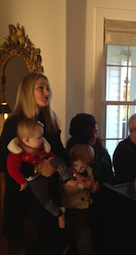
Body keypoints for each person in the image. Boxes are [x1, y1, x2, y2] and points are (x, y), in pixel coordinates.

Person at [0, 72, 70, 255]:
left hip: (50, 188)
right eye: (40, 87)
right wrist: (37, 168)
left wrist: (75, 174)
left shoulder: (49, 121)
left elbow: (60, 153)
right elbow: (2, 161)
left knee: (48, 237)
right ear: (27, 92)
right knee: (58, 236)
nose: (46, 91)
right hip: (27, 192)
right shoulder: (14, 123)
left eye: (47, 87)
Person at [6, 118, 78, 229]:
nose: (42, 140)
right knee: (44, 199)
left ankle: (67, 180)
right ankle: (59, 214)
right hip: (35, 180)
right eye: (39, 137)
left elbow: (50, 155)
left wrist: (53, 161)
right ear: (27, 140)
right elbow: (12, 168)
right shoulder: (17, 153)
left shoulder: (40, 146)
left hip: (48, 172)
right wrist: (22, 182)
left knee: (58, 160)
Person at [65, 113, 114, 255]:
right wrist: (77, 176)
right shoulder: (71, 153)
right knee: (82, 240)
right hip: (76, 204)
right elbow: (63, 179)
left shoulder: (101, 151)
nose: (95, 136)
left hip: (98, 199)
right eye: (91, 133)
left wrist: (96, 187)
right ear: (82, 135)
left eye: (96, 131)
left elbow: (109, 179)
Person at [62, 143, 99, 255]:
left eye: (83, 166)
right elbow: (67, 191)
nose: (78, 169)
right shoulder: (67, 173)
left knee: (84, 235)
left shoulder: (89, 171)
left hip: (85, 209)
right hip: (73, 210)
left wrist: (93, 188)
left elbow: (89, 191)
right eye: (75, 164)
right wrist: (82, 185)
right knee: (84, 239)